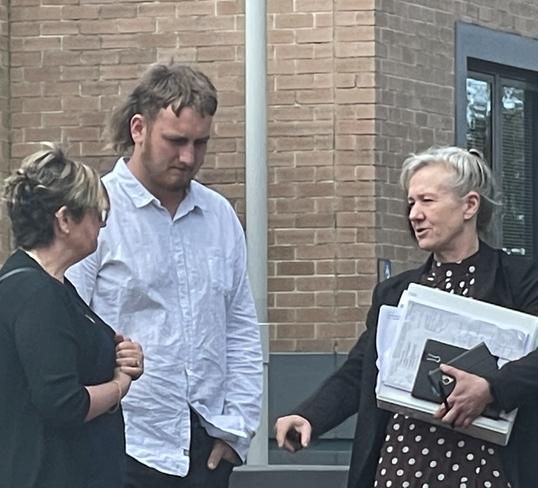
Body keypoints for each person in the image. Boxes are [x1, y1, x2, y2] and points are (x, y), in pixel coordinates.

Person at [274, 146, 538, 488]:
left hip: (486, 468)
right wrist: (309, 415)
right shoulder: (395, 292)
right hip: (402, 465)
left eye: (427, 201)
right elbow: (360, 371)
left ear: (469, 206)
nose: (414, 214)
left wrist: (492, 387)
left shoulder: (519, 280)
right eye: (411, 202)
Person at [66, 63, 263, 488]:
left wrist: (238, 427)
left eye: (200, 143)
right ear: (139, 128)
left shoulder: (220, 216)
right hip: (124, 440)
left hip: (207, 443)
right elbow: (69, 326)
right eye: (175, 141)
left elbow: (240, 327)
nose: (188, 157)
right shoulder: (97, 212)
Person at [0, 144, 144, 488]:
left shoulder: (52, 287)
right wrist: (119, 386)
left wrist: (122, 355)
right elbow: (64, 404)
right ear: (65, 219)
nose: (102, 225)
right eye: (98, 214)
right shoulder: (35, 293)